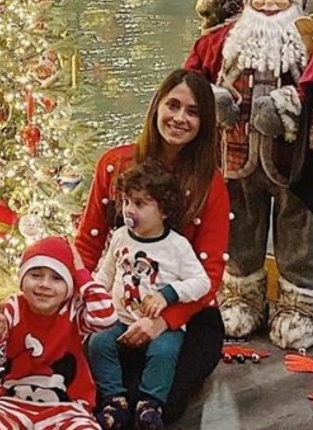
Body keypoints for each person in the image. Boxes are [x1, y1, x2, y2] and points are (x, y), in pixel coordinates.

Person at [184, 0, 313, 350]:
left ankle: (302, 306)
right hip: (235, 161)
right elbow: (190, 78)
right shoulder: (220, 41)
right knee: (237, 229)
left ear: (295, 3)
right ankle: (240, 298)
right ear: (247, 1)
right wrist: (211, 98)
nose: (268, 5)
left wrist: (291, 103)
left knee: (302, 233)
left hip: (297, 165)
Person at [74, 69, 231, 422]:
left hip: (186, 315)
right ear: (156, 106)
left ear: (204, 123)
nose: (179, 118)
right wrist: (82, 306)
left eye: (192, 112)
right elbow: (87, 244)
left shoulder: (211, 186)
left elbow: (209, 276)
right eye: (172, 105)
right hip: (119, 313)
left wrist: (164, 322)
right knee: (100, 395)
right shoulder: (115, 165)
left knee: (156, 406)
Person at [88, 161, 212, 429]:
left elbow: (202, 282)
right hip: (120, 320)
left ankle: (150, 403)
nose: (129, 210)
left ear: (164, 210)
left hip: (163, 327)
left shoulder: (177, 246)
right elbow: (105, 274)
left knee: (164, 351)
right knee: (98, 344)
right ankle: (114, 401)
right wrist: (94, 300)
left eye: (140, 204)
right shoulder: (120, 237)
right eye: (127, 202)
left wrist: (169, 295)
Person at [0, 237, 117, 429]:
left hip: (67, 407)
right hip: (13, 402)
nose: (45, 284)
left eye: (57, 278)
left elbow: (106, 317)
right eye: (35, 275)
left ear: (70, 285)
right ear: (22, 280)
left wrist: (82, 274)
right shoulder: (14, 307)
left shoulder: (74, 312)